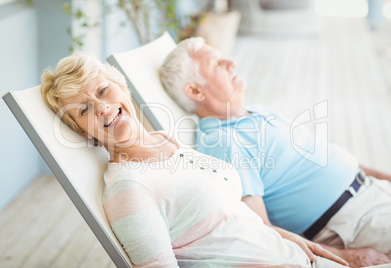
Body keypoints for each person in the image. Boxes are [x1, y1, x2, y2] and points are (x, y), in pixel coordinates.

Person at [39, 52, 355, 268]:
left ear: (122, 87)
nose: (102, 108)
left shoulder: (166, 142)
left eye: (103, 91)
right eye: (84, 110)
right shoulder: (129, 191)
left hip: (294, 254)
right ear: (84, 133)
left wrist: (289, 239)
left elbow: (230, 215)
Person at [159, 37, 391, 268]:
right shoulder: (225, 143)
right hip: (353, 223)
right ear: (195, 91)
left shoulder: (253, 113)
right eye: (217, 64)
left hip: (372, 193)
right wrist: (346, 257)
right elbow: (260, 230)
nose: (232, 63)